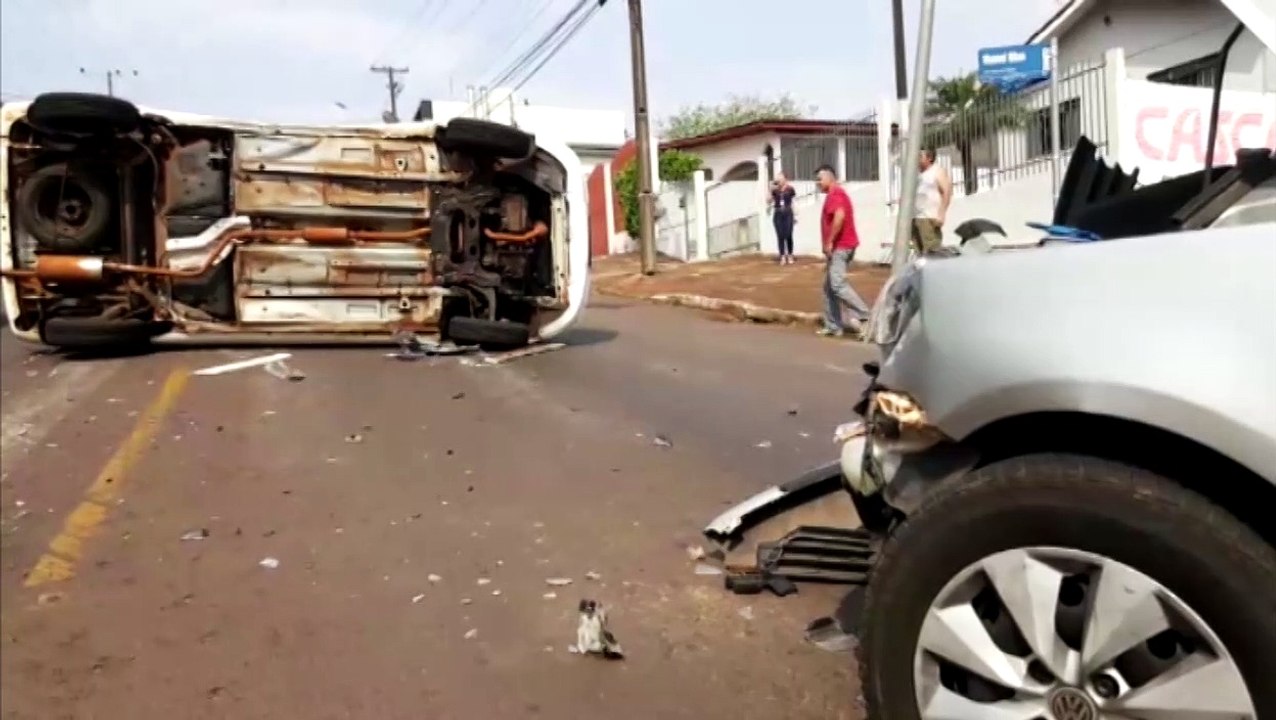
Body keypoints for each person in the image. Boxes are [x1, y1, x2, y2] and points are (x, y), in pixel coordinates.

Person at [815, 164, 872, 337]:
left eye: (819, 179)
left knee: (837, 284)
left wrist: (830, 242)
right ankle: (833, 326)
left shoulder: (836, 194)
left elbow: (840, 216)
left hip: (841, 246)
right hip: (840, 247)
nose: (817, 183)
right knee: (829, 287)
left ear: (829, 178)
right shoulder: (835, 194)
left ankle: (865, 315)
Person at [913, 149, 952, 256]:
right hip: (916, 217)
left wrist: (941, 214)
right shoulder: (918, 174)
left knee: (932, 251)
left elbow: (946, 192)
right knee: (919, 252)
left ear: (929, 158)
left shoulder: (937, 171)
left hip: (929, 217)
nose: (917, 159)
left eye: (920, 156)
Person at [768, 173, 797, 265]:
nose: (779, 181)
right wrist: (770, 189)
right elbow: (768, 201)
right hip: (778, 213)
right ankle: (782, 255)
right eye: (778, 179)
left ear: (785, 179)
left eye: (780, 179)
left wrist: (795, 215)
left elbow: (793, 202)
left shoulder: (790, 189)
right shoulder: (775, 190)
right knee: (780, 235)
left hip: (788, 212)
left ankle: (790, 254)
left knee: (788, 234)